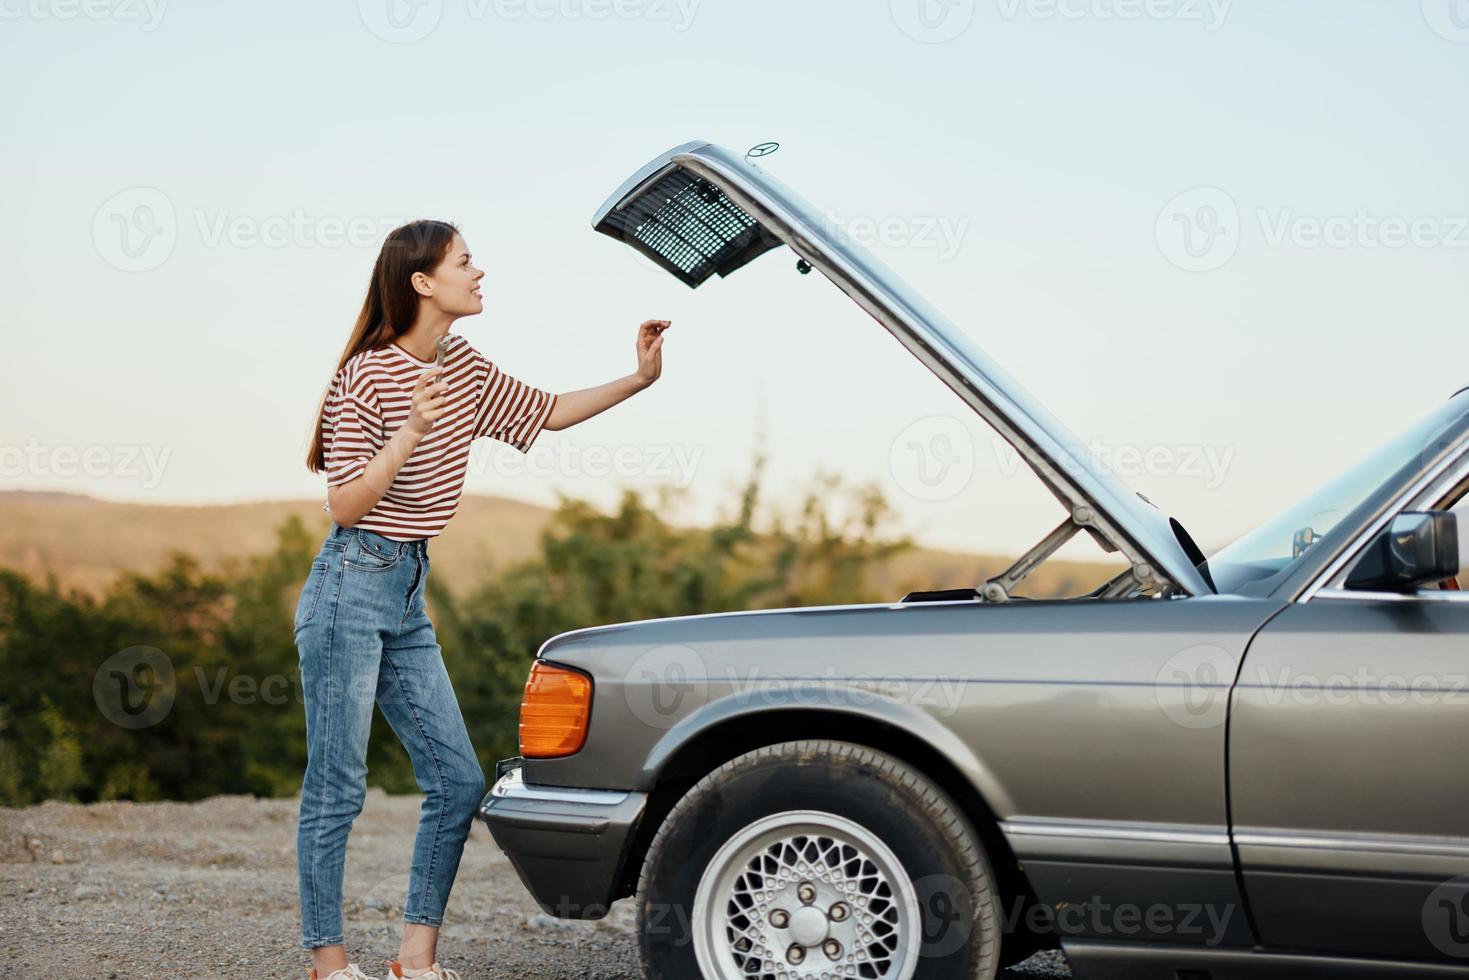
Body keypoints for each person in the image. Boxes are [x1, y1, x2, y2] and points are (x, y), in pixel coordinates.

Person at [294, 219, 669, 980]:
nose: (480, 272)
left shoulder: (461, 363)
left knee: (458, 779)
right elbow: (342, 505)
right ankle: (329, 965)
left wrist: (637, 378)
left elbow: (548, 411)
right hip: (349, 584)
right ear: (422, 282)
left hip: (405, 591)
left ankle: (414, 960)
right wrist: (409, 432)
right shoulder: (365, 376)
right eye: (465, 262)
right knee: (337, 783)